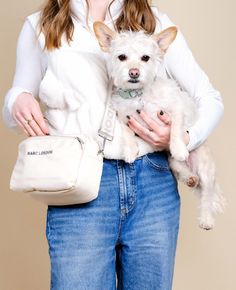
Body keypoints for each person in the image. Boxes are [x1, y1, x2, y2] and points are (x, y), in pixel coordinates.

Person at [2, 0, 224, 289]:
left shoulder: (152, 21)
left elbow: (209, 98)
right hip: (80, 185)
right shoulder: (41, 25)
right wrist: (16, 99)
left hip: (153, 181)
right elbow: (15, 103)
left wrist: (185, 138)